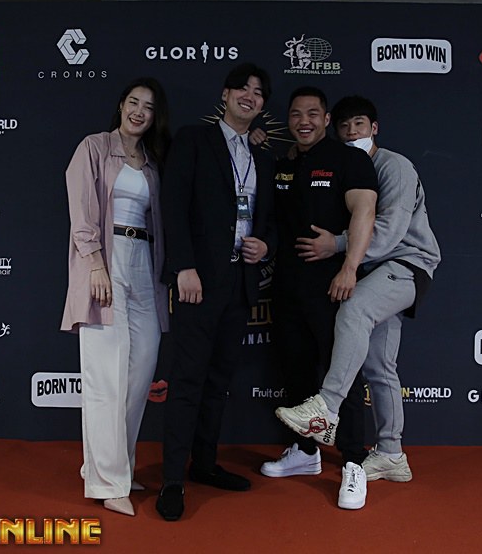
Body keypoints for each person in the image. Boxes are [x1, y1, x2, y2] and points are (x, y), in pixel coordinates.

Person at [274, 95, 441, 509]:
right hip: (375, 269)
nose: (352, 132)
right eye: (345, 127)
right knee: (379, 365)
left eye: (359, 125)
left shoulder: (394, 166)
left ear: (374, 128)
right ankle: (392, 453)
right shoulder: (346, 163)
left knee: (353, 311)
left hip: (406, 262)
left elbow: (388, 229)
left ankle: (326, 408)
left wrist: (337, 245)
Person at [156, 63, 276, 522]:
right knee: (187, 380)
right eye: (242, 88)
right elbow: (173, 205)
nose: (250, 96)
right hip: (198, 282)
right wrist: (183, 267)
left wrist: (266, 245)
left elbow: (269, 221)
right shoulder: (194, 140)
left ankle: (203, 464)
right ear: (225, 95)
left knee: (218, 381)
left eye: (258, 92)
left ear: (263, 105)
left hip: (240, 283)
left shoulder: (262, 155)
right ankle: (172, 480)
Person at [260, 87, 378, 509]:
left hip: (333, 285)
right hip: (287, 286)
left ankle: (354, 462)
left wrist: (349, 266)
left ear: (326, 120)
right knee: (295, 369)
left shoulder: (350, 160)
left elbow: (365, 211)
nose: (304, 121)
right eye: (296, 114)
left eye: (313, 113)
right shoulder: (284, 164)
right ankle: (305, 451)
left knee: (342, 373)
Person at [60, 77, 171, 517]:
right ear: (121, 105)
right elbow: (82, 211)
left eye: (148, 106)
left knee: (139, 373)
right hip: (106, 261)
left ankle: (115, 465)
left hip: (145, 266)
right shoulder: (93, 147)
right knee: (105, 377)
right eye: (133, 102)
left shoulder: (153, 163)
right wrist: (95, 265)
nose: (139, 111)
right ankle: (108, 481)